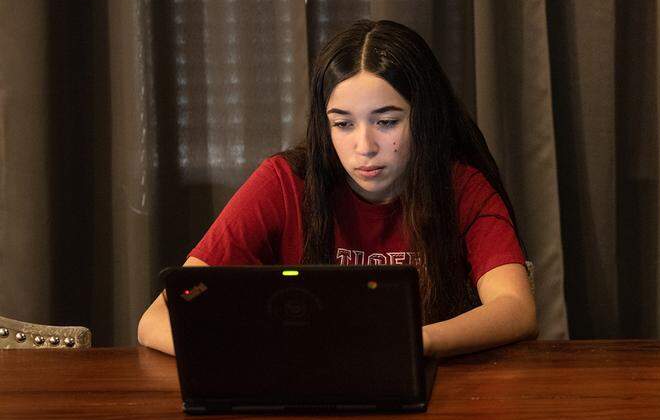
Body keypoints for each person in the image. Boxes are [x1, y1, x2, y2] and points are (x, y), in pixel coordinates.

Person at [138, 20, 537, 357]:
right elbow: (158, 317)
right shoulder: (286, 183)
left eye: (386, 121)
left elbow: (516, 307)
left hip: (432, 393)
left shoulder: (461, 186)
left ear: (424, 119)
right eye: (343, 124)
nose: (363, 146)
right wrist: (252, 349)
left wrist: (413, 342)